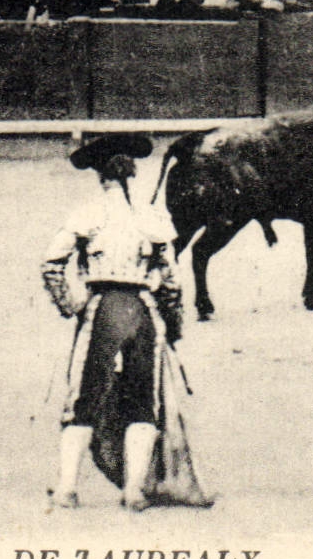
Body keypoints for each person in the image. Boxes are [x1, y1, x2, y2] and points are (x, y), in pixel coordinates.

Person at [41, 134, 211, 510]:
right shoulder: (151, 216)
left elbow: (51, 264)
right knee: (142, 402)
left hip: (101, 309)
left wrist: (71, 304)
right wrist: (173, 325)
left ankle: (67, 488)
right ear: (130, 173)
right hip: (143, 310)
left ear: (99, 174)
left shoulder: (87, 212)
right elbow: (171, 281)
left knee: (83, 399)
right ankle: (133, 490)